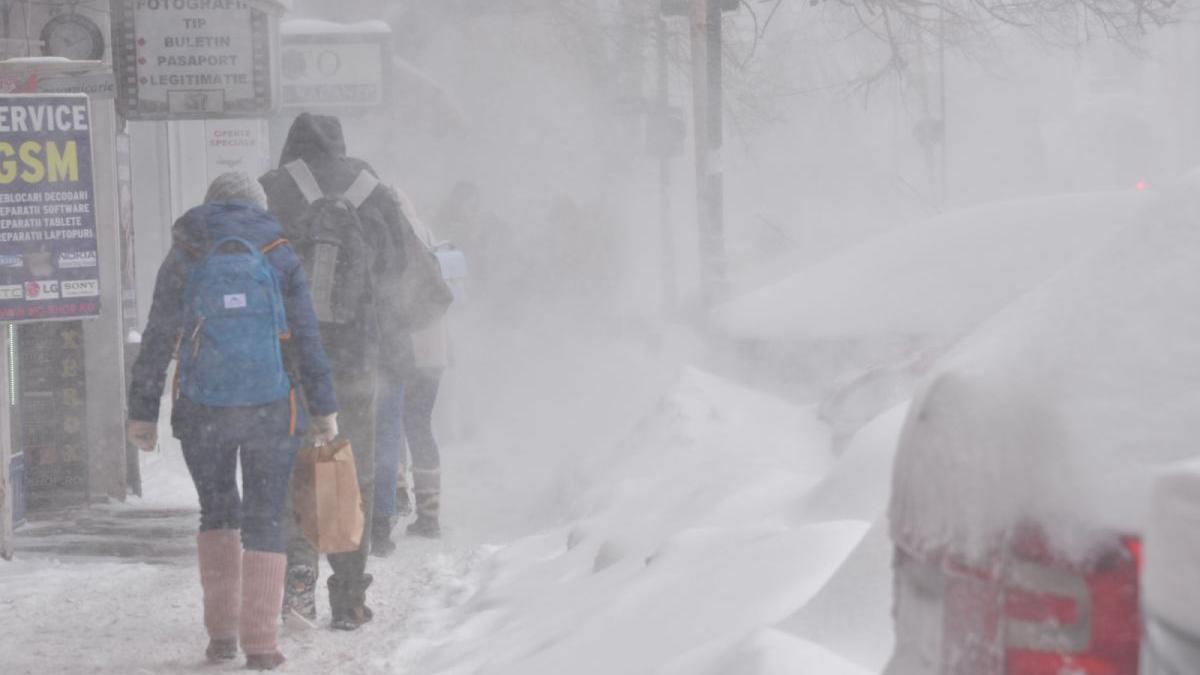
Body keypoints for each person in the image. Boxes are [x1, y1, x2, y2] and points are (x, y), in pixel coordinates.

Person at [126, 172, 338, 671]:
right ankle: (261, 645)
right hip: (272, 406)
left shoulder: (186, 250)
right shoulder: (280, 252)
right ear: (257, 206)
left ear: (212, 205)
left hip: (202, 406)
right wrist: (323, 407)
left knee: (217, 512)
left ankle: (221, 636)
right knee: (265, 518)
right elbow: (307, 337)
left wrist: (142, 410)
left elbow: (158, 335)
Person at [260, 113, 412, 630]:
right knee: (351, 467)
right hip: (356, 353)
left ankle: (299, 578)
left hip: (289, 356)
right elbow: (397, 268)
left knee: (296, 463)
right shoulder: (371, 186)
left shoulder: (274, 188)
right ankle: (348, 598)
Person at [372, 207, 450, 553]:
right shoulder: (424, 233)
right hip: (433, 345)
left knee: (389, 423)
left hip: (401, 344)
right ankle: (430, 514)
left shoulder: (384, 233)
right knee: (419, 424)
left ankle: (396, 496)